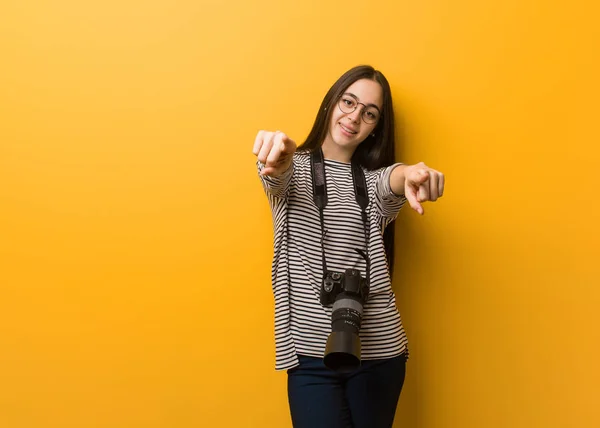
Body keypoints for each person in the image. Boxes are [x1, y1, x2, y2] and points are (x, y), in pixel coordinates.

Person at [252, 65, 445, 428]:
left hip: (380, 353)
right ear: (330, 104)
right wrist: (276, 152)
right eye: (348, 102)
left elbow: (394, 178)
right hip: (310, 358)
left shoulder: (371, 185)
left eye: (369, 113)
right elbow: (275, 172)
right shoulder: (292, 170)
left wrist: (413, 174)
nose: (354, 117)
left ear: (375, 129)